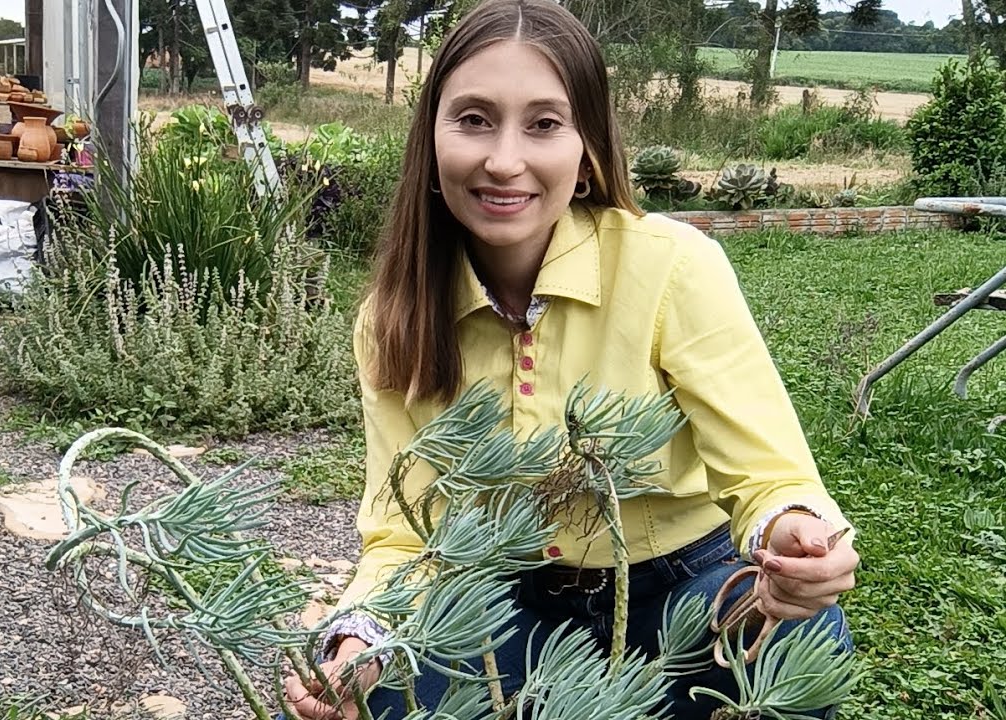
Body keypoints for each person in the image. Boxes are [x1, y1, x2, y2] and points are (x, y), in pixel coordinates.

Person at [282, 0, 860, 717]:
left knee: (799, 643)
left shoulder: (673, 267)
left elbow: (770, 478)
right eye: (473, 119)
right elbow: (406, 533)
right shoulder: (392, 318)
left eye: (545, 124)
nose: (504, 160)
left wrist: (795, 537)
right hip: (502, 604)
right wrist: (360, 642)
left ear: (587, 151)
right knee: (376, 696)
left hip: (684, 592)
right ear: (430, 140)